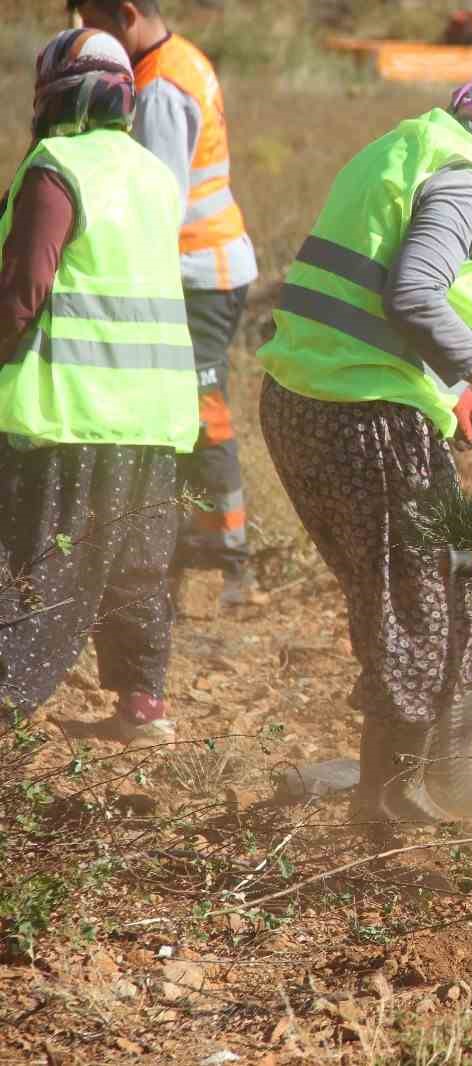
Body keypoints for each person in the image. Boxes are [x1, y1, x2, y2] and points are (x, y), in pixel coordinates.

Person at [255, 58, 472, 823]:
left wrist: (448, 388)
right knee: (420, 604)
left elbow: (373, 289)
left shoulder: (412, 143)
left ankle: (451, 782)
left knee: (440, 591)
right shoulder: (467, 179)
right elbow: (412, 292)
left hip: (312, 400)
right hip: (360, 415)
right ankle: (390, 802)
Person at [0, 29, 195, 745]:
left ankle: (6, 705)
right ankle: (142, 706)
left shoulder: (56, 168)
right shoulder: (153, 175)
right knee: (135, 570)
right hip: (154, 414)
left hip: (69, 411)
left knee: (35, 564)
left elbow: (24, 291)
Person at [69, 0, 265, 611]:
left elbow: (157, 199)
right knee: (179, 409)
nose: (85, 42)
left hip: (199, 272)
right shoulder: (177, 61)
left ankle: (222, 566)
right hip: (202, 267)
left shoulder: (158, 86)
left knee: (201, 410)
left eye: (90, 25)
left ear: (124, 13)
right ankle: (184, 553)